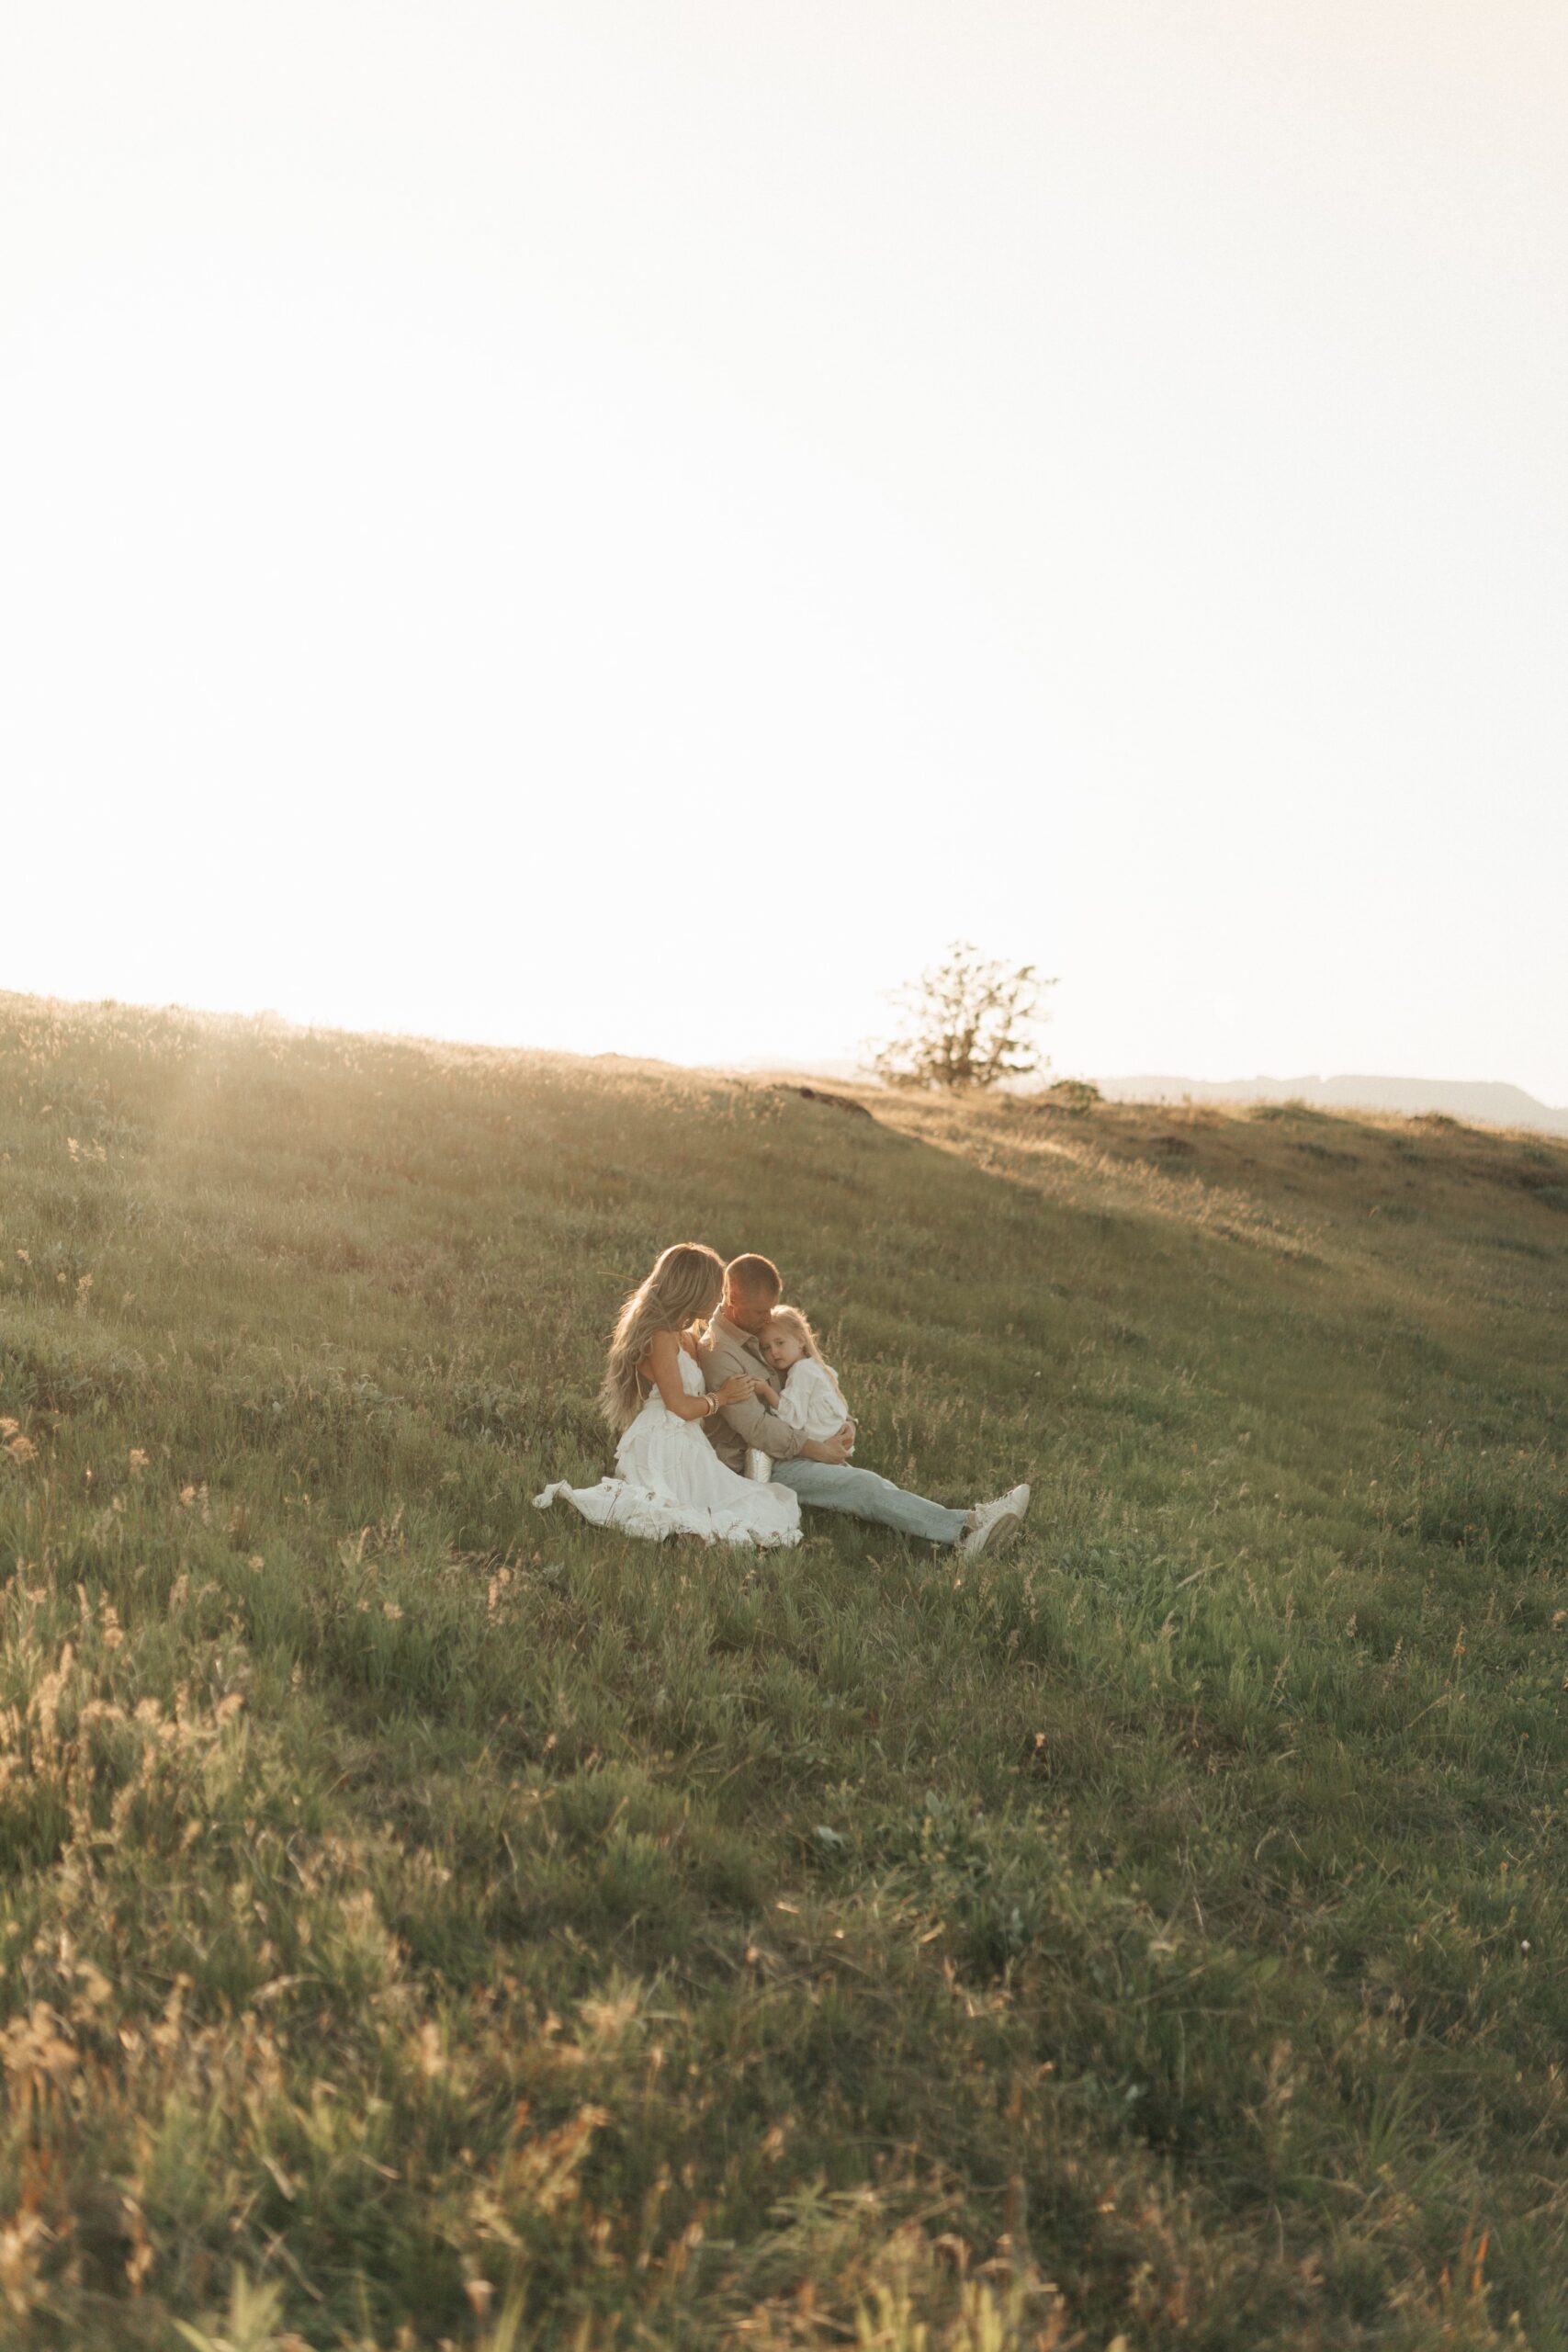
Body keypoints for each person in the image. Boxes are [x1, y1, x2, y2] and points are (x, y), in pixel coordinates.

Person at [702, 1254, 1030, 1555]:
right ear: (731, 1299)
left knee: (872, 1486)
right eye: (761, 1312)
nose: (767, 1318)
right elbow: (758, 1429)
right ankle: (965, 1533)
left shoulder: (757, 1328)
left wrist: (845, 1423)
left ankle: (975, 1519)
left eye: (771, 1309)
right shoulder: (719, 1352)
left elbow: (803, 1385)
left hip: (794, 1441)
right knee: (864, 1486)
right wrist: (817, 1449)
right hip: (762, 1465)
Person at [535, 1242, 802, 1547]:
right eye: (716, 1289)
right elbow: (678, 1406)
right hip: (662, 1439)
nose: (721, 1297)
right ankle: (681, 1536)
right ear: (695, 1290)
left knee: (745, 1501)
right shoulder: (660, 1336)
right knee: (681, 1508)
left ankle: (687, 1534)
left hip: (687, 1440)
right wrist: (722, 1398)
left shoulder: (685, 1334)